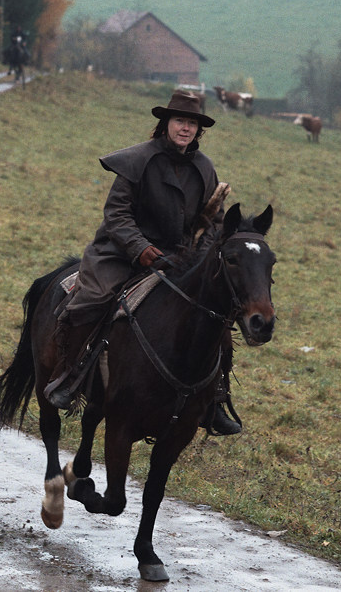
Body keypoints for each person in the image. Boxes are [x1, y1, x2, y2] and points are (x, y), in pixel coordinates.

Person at [45, 90, 242, 436]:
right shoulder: (137, 160)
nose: (185, 128)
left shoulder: (205, 168)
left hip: (180, 260)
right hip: (121, 253)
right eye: (180, 121)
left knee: (217, 319)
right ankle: (70, 377)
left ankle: (215, 400)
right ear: (165, 123)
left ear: (199, 130)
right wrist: (143, 250)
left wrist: (198, 256)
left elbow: (216, 223)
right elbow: (117, 214)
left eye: (192, 123)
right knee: (92, 299)